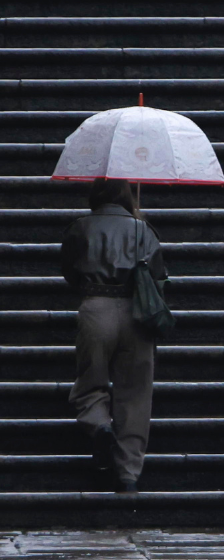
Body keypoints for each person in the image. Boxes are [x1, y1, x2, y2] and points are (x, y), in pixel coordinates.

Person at [60, 178, 167, 493]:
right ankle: (128, 472)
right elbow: (158, 275)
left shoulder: (80, 227)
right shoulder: (141, 229)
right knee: (135, 394)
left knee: (89, 383)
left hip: (95, 307)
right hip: (136, 312)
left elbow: (69, 269)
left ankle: (100, 425)